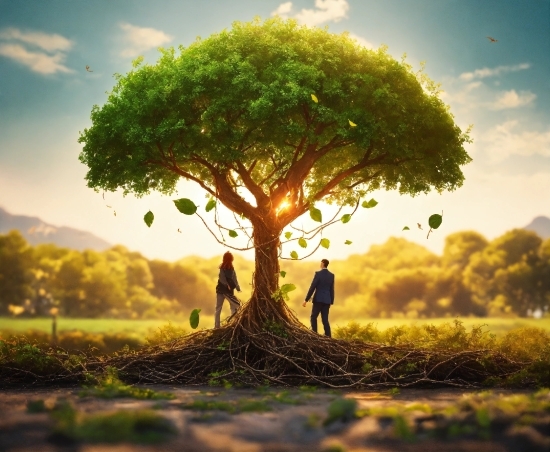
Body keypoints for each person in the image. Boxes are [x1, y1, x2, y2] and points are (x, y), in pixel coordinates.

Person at [302, 258, 334, 337]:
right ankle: (328, 336)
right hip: (327, 300)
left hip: (318, 299)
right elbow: (331, 289)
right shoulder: (331, 275)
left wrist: (306, 299)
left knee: (313, 317)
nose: (320, 264)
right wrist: (331, 301)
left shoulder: (318, 274)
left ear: (323, 264)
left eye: (321, 263)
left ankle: (314, 334)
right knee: (325, 319)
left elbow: (312, 287)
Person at [215, 251, 242, 328]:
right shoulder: (226, 269)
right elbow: (222, 278)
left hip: (222, 290)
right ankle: (221, 325)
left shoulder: (229, 268)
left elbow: (233, 278)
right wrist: (230, 286)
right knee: (233, 306)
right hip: (225, 291)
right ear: (231, 259)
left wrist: (237, 288)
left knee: (219, 308)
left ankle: (220, 325)